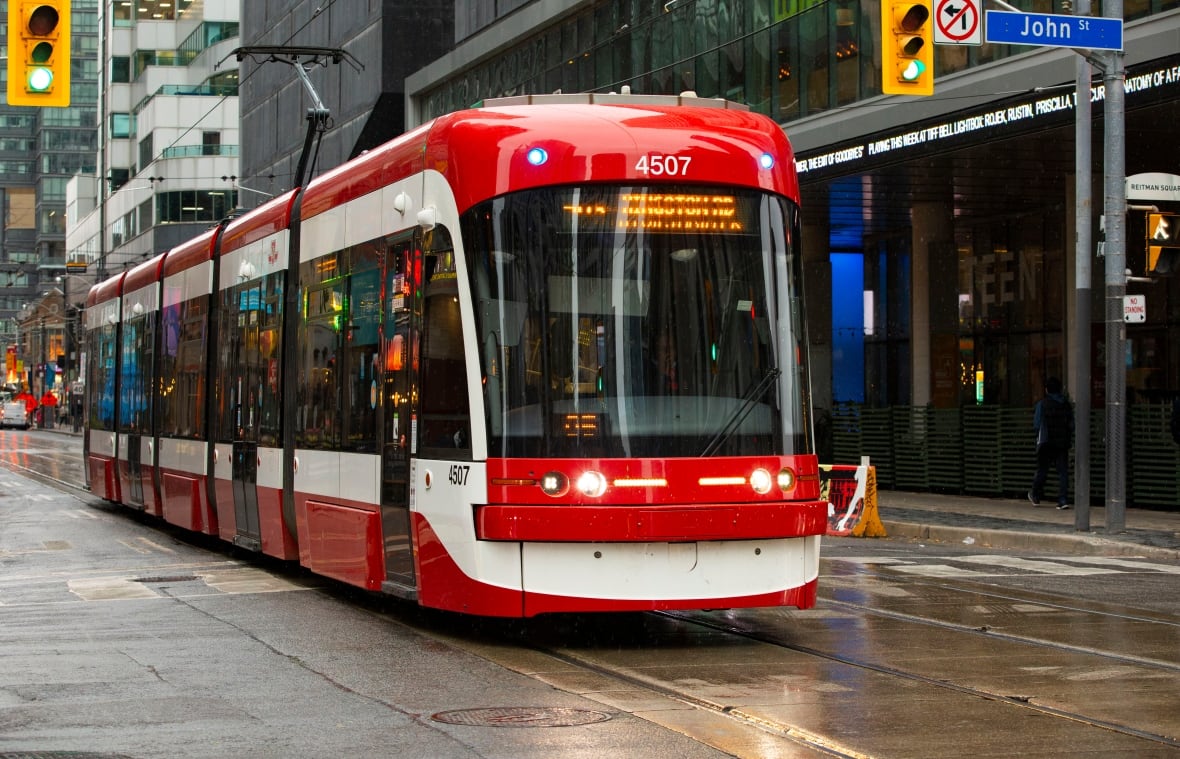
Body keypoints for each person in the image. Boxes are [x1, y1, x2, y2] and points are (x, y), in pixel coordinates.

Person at [1028, 376, 1074, 510]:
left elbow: (1036, 425)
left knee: (1042, 469)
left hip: (1046, 441)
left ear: (1047, 389)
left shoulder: (1042, 404)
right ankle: (1063, 499)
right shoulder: (1066, 404)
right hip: (1062, 442)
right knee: (1062, 471)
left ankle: (1036, 494)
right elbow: (1071, 424)